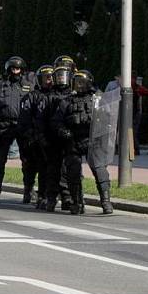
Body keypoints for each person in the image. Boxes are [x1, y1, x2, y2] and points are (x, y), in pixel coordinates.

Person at [53, 70, 113, 215]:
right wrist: (63, 131)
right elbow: (57, 121)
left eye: (82, 82)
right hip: (73, 140)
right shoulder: (66, 101)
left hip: (93, 140)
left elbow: (108, 118)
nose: (79, 85)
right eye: (76, 82)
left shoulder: (98, 99)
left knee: (99, 170)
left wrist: (101, 130)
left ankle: (106, 201)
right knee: (72, 172)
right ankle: (77, 202)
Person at [0, 56, 30, 201]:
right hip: (5, 126)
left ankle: (28, 191)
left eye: (17, 68)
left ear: (22, 70)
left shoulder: (27, 86)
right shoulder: (1, 85)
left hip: (22, 126)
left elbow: (34, 105)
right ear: (8, 69)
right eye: (12, 68)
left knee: (27, 160)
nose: (15, 71)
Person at [17, 65, 53, 208]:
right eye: (45, 78)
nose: (49, 81)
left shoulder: (57, 94)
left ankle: (47, 195)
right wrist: (30, 136)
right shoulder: (32, 96)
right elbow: (24, 119)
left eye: (51, 77)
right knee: (30, 167)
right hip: (34, 139)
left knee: (49, 169)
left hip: (51, 139)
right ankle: (30, 190)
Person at [45, 55, 76, 212]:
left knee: (70, 169)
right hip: (52, 138)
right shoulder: (49, 95)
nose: (62, 78)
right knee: (53, 169)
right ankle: (51, 198)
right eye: (59, 75)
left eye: (65, 74)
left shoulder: (77, 93)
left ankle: (69, 198)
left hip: (71, 138)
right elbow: (41, 117)